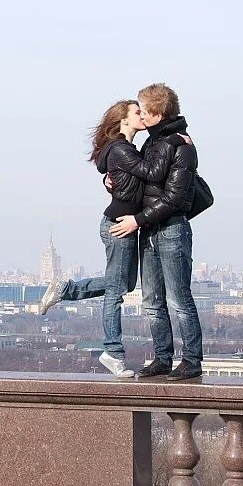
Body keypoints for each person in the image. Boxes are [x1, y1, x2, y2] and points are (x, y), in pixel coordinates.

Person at [39, 99, 184, 377]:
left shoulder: (126, 149)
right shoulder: (120, 149)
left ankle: (65, 289)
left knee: (124, 283)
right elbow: (152, 173)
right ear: (124, 120)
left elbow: (133, 182)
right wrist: (178, 141)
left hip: (125, 224)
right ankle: (113, 352)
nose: (142, 115)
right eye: (137, 112)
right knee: (116, 292)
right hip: (120, 225)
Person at [109, 83, 204, 382]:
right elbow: (137, 179)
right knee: (152, 300)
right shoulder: (153, 142)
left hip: (172, 230)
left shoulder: (181, 146)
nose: (141, 115)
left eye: (144, 110)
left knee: (179, 299)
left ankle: (191, 360)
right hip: (149, 229)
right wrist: (110, 182)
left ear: (158, 113)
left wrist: (137, 220)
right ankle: (163, 358)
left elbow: (174, 199)